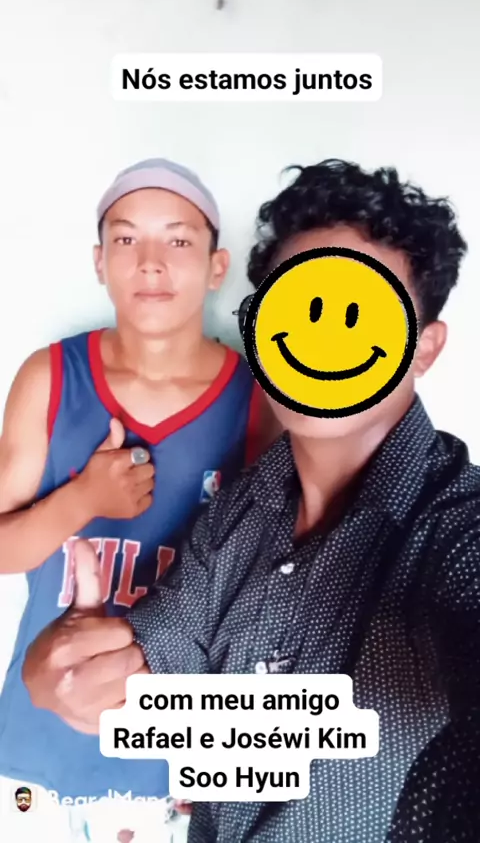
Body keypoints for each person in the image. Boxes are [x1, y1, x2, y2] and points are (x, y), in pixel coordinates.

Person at [22, 159, 480, 843]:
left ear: (424, 349)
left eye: (357, 315)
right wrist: (68, 666)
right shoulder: (236, 515)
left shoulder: (459, 533)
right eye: (301, 309)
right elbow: (146, 670)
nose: (324, 340)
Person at [0, 158, 275, 841]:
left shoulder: (258, 399)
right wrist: (83, 499)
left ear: (216, 266)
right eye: (126, 239)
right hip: (42, 739)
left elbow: (268, 589)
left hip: (176, 760)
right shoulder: (50, 376)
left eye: (178, 239)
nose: (151, 261)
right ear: (99, 261)